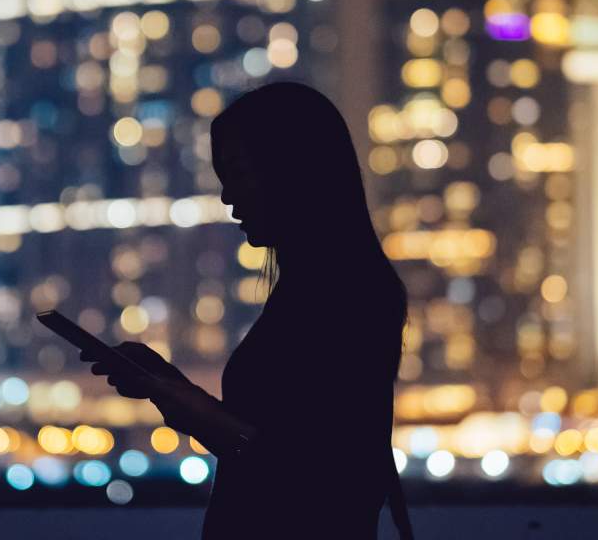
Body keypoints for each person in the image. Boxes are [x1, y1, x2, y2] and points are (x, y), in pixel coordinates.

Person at [84, 81, 411, 539]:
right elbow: (287, 442)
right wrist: (173, 389)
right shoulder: (323, 287)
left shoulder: (343, 291)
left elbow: (315, 474)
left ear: (292, 169)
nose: (226, 196)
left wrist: (193, 408)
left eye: (238, 172)